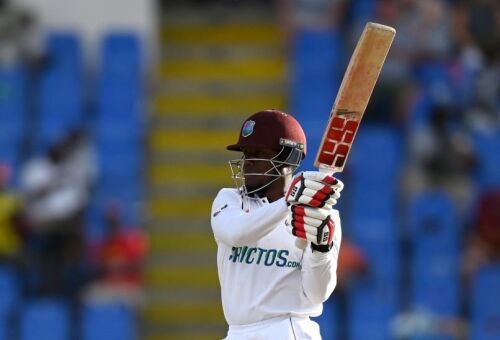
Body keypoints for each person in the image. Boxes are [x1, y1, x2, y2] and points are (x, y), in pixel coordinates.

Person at [211, 109, 344, 339]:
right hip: (237, 333)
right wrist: (290, 201)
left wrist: (320, 251)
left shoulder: (323, 217)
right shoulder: (229, 200)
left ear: (287, 159)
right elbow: (236, 233)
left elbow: (316, 294)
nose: (247, 163)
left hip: (286, 330)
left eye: (258, 153)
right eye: (246, 154)